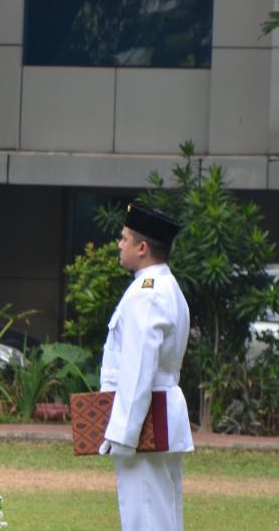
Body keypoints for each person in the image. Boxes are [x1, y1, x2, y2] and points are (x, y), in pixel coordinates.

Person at [100, 204, 192, 531]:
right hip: (158, 414)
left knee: (146, 516)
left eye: (124, 238)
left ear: (143, 248)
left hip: (145, 420)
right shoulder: (166, 286)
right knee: (162, 513)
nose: (119, 244)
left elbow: (139, 368)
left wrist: (123, 433)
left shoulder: (147, 293)